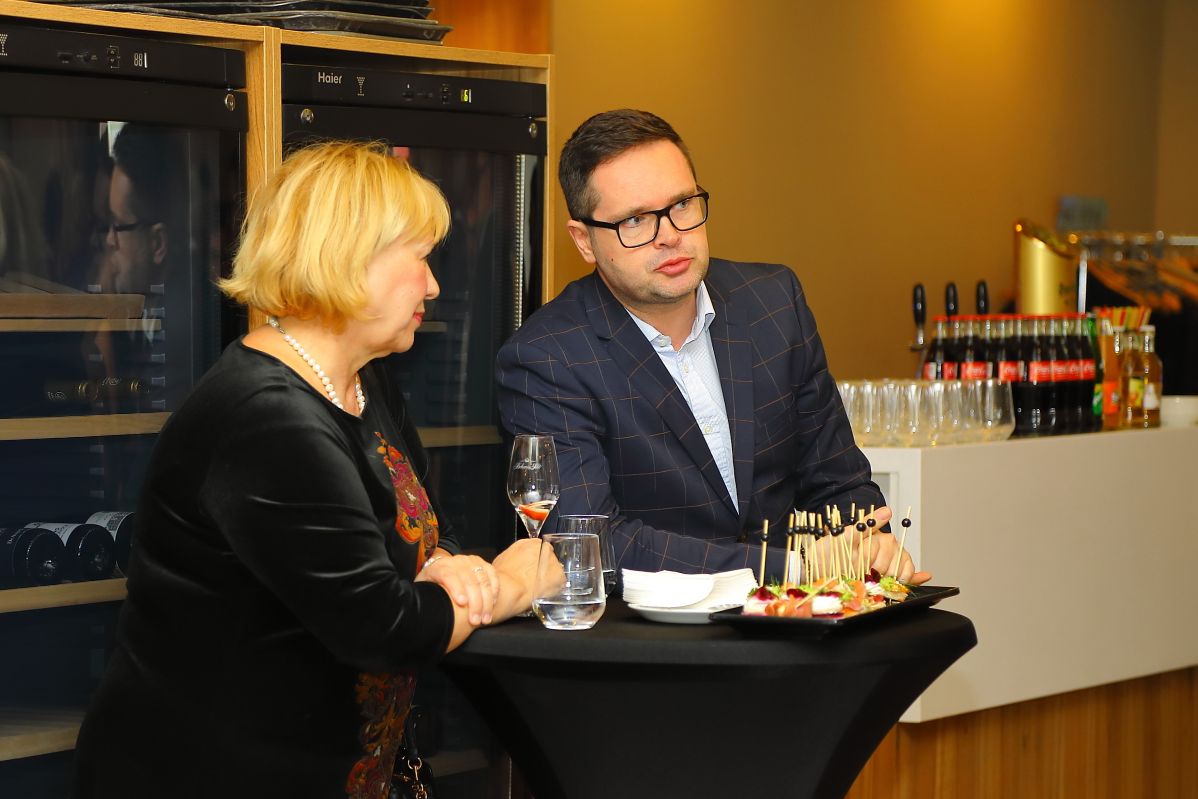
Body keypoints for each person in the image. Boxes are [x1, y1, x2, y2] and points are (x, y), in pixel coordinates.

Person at [73, 140, 543, 799]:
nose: (435, 284)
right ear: (349, 258)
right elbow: (383, 627)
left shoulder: (364, 382)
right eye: (420, 257)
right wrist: (512, 582)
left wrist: (446, 563)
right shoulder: (266, 417)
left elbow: (418, 532)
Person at [496, 109, 929, 583]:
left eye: (682, 205)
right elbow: (589, 541)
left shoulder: (772, 304)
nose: (670, 236)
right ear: (584, 241)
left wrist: (866, 547)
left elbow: (839, 482)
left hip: (801, 615)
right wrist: (792, 569)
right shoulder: (548, 357)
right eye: (636, 220)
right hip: (654, 626)